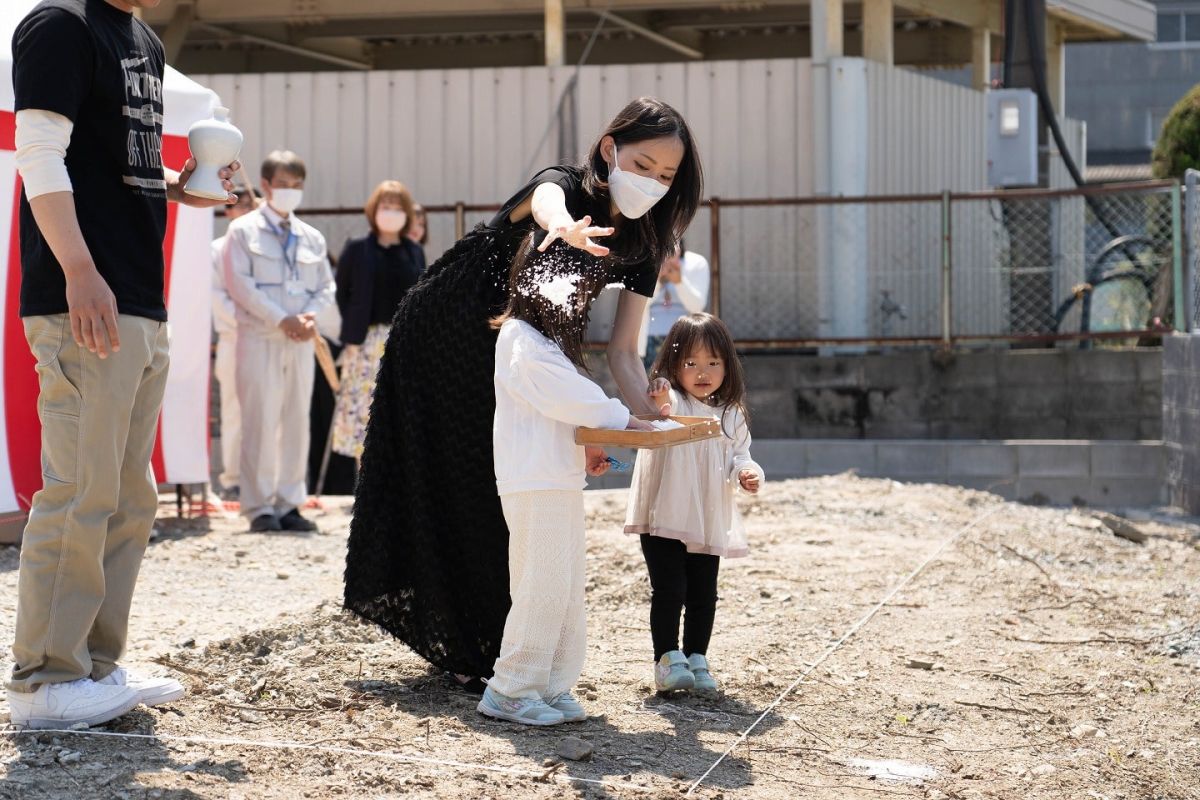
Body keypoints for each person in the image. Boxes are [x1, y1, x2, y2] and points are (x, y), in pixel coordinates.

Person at [345, 97, 704, 691]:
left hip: (537, 346)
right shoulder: (567, 187)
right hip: (456, 328)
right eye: (643, 165)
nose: (653, 184)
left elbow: (622, 350)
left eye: (667, 176)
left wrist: (649, 414)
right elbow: (546, 200)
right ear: (611, 149)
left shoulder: (646, 238)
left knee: (518, 493)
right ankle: (475, 648)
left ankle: (495, 652)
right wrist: (561, 226)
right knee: (470, 481)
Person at [7, 0, 239, 730]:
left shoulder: (140, 38)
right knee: (80, 490)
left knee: (128, 496)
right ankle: (46, 680)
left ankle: (95, 667)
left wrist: (184, 185)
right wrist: (78, 268)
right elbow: (39, 152)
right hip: (86, 294)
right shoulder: (60, 24)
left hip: (137, 296)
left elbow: (112, 164)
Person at [479, 236, 653, 725]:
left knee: (566, 585)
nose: (578, 295)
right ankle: (512, 687)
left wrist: (590, 443)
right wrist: (622, 420)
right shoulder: (520, 336)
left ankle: (552, 684)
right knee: (542, 585)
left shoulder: (546, 341)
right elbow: (559, 394)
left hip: (555, 475)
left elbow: (563, 404)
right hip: (533, 478)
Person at [624, 312, 763, 696]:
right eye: (691, 363)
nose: (703, 372)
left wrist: (748, 474)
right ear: (674, 364)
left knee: (704, 591)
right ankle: (667, 659)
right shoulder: (676, 401)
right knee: (670, 588)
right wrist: (660, 396)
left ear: (727, 366)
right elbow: (662, 410)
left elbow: (741, 456)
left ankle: (697, 657)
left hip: (707, 515)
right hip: (664, 514)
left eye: (713, 363)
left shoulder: (731, 413)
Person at [222, 150, 334, 533]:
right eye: (282, 185)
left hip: (300, 340)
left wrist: (307, 318)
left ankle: (290, 501)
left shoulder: (311, 237)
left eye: (296, 185)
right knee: (260, 419)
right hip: (260, 337)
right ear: (266, 186)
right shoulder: (243, 231)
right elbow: (241, 286)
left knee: (295, 419)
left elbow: (325, 286)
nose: (290, 192)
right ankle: (258, 506)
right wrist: (281, 318)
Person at [332, 181, 425, 462]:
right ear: (373, 210)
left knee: (401, 414)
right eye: (386, 207)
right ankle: (366, 494)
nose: (391, 213)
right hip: (366, 342)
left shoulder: (414, 251)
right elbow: (340, 293)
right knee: (364, 417)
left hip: (403, 343)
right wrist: (351, 330)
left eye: (398, 208)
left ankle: (397, 497)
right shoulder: (358, 249)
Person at [211, 188, 256, 499]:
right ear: (227, 211)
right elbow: (217, 298)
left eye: (249, 204)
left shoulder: (267, 245)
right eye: (237, 205)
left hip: (271, 337)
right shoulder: (217, 249)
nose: (244, 209)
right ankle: (233, 479)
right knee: (234, 411)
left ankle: (269, 479)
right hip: (236, 338)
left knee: (274, 411)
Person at [639, 239, 710, 369]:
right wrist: (657, 279)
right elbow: (638, 305)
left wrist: (679, 282)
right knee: (652, 385)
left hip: (685, 334)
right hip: (650, 336)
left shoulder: (696, 263)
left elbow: (697, 306)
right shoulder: (645, 261)